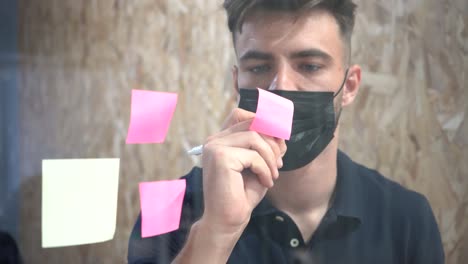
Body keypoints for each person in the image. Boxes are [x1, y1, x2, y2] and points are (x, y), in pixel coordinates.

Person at [128, 0, 445, 263]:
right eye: (259, 67)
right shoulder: (166, 206)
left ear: (349, 86)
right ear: (236, 81)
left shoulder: (407, 217)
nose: (281, 87)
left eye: (309, 66)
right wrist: (216, 232)